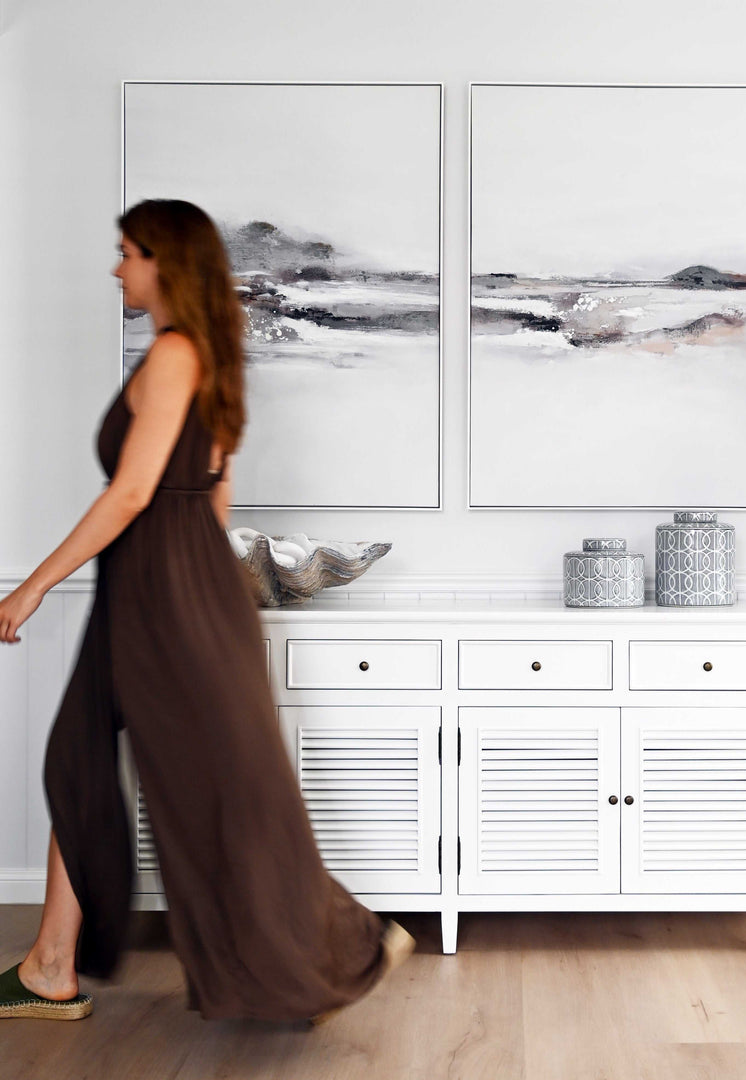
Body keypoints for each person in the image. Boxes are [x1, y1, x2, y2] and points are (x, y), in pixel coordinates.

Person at [0, 198, 414, 1023]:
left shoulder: (176, 353)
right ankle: (51, 964)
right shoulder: (210, 355)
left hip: (158, 587)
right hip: (167, 584)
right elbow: (215, 493)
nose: (116, 268)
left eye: (127, 252)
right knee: (87, 760)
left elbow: (131, 493)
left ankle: (345, 942)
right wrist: (210, 597)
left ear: (165, 262)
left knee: (214, 778)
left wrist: (33, 584)